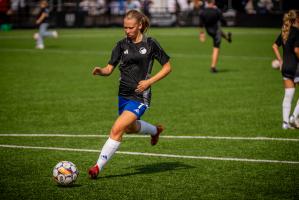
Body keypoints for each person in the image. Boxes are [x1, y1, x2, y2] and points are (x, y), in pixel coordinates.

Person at [88, 9, 172, 179]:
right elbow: (109, 69)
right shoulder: (121, 45)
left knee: (117, 128)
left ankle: (97, 167)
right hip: (123, 94)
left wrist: (149, 82)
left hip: (141, 95)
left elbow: (167, 67)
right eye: (125, 27)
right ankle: (155, 130)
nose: (127, 31)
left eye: (131, 27)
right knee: (130, 128)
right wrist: (100, 71)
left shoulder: (151, 44)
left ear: (140, 25)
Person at [272, 10, 299, 129]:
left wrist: (281, 61)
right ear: (296, 19)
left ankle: (285, 123)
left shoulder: (284, 31)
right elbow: (297, 50)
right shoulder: (297, 32)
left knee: (288, 95)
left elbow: (274, 46)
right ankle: (294, 116)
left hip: (286, 67)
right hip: (296, 66)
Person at [198, 0, 232, 73]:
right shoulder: (217, 11)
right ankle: (213, 67)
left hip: (209, 31)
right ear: (213, 1)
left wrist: (202, 34)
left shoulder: (202, 11)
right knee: (216, 47)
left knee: (220, 32)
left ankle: (228, 38)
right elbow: (223, 21)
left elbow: (201, 24)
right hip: (216, 31)